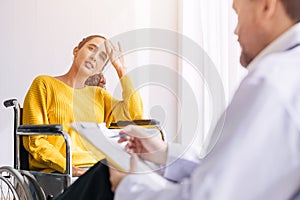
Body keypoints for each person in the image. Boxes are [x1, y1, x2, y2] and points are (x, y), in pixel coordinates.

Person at [107, 0, 300, 199]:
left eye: (237, 14)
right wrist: (164, 154)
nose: (235, 31)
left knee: (100, 175)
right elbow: (233, 178)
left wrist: (128, 185)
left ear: (266, 6)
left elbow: (208, 195)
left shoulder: (272, 82)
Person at [22, 35, 144, 177]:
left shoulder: (99, 95)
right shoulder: (44, 84)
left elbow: (135, 116)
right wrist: (70, 168)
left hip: (97, 169)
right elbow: (36, 141)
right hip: (60, 172)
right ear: (76, 51)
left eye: (102, 56)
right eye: (91, 49)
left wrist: (122, 70)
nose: (94, 57)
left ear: (100, 70)